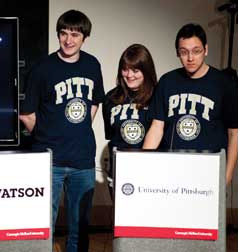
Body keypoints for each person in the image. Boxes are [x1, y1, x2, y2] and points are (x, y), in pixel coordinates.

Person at [19, 9, 105, 252]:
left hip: (82, 160)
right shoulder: (42, 68)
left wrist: (76, 131)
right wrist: (49, 134)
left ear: (84, 37)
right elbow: (26, 114)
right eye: (64, 33)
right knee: (43, 226)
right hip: (50, 161)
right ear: (58, 35)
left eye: (75, 35)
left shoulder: (92, 64)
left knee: (81, 227)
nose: (69, 40)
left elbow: (94, 103)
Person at [143, 23, 238, 185]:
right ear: (177, 53)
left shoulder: (224, 83)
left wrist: (227, 176)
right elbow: (157, 127)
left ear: (206, 50)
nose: (190, 58)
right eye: (184, 52)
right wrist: (142, 165)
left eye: (196, 51)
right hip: (172, 168)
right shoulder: (167, 82)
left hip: (209, 170)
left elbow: (234, 133)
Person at [102, 44, 157, 196]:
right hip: (119, 173)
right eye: (125, 69)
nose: (129, 75)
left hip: (150, 174)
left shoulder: (158, 96)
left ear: (146, 70)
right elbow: (111, 136)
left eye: (135, 70)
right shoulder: (110, 98)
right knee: (120, 219)